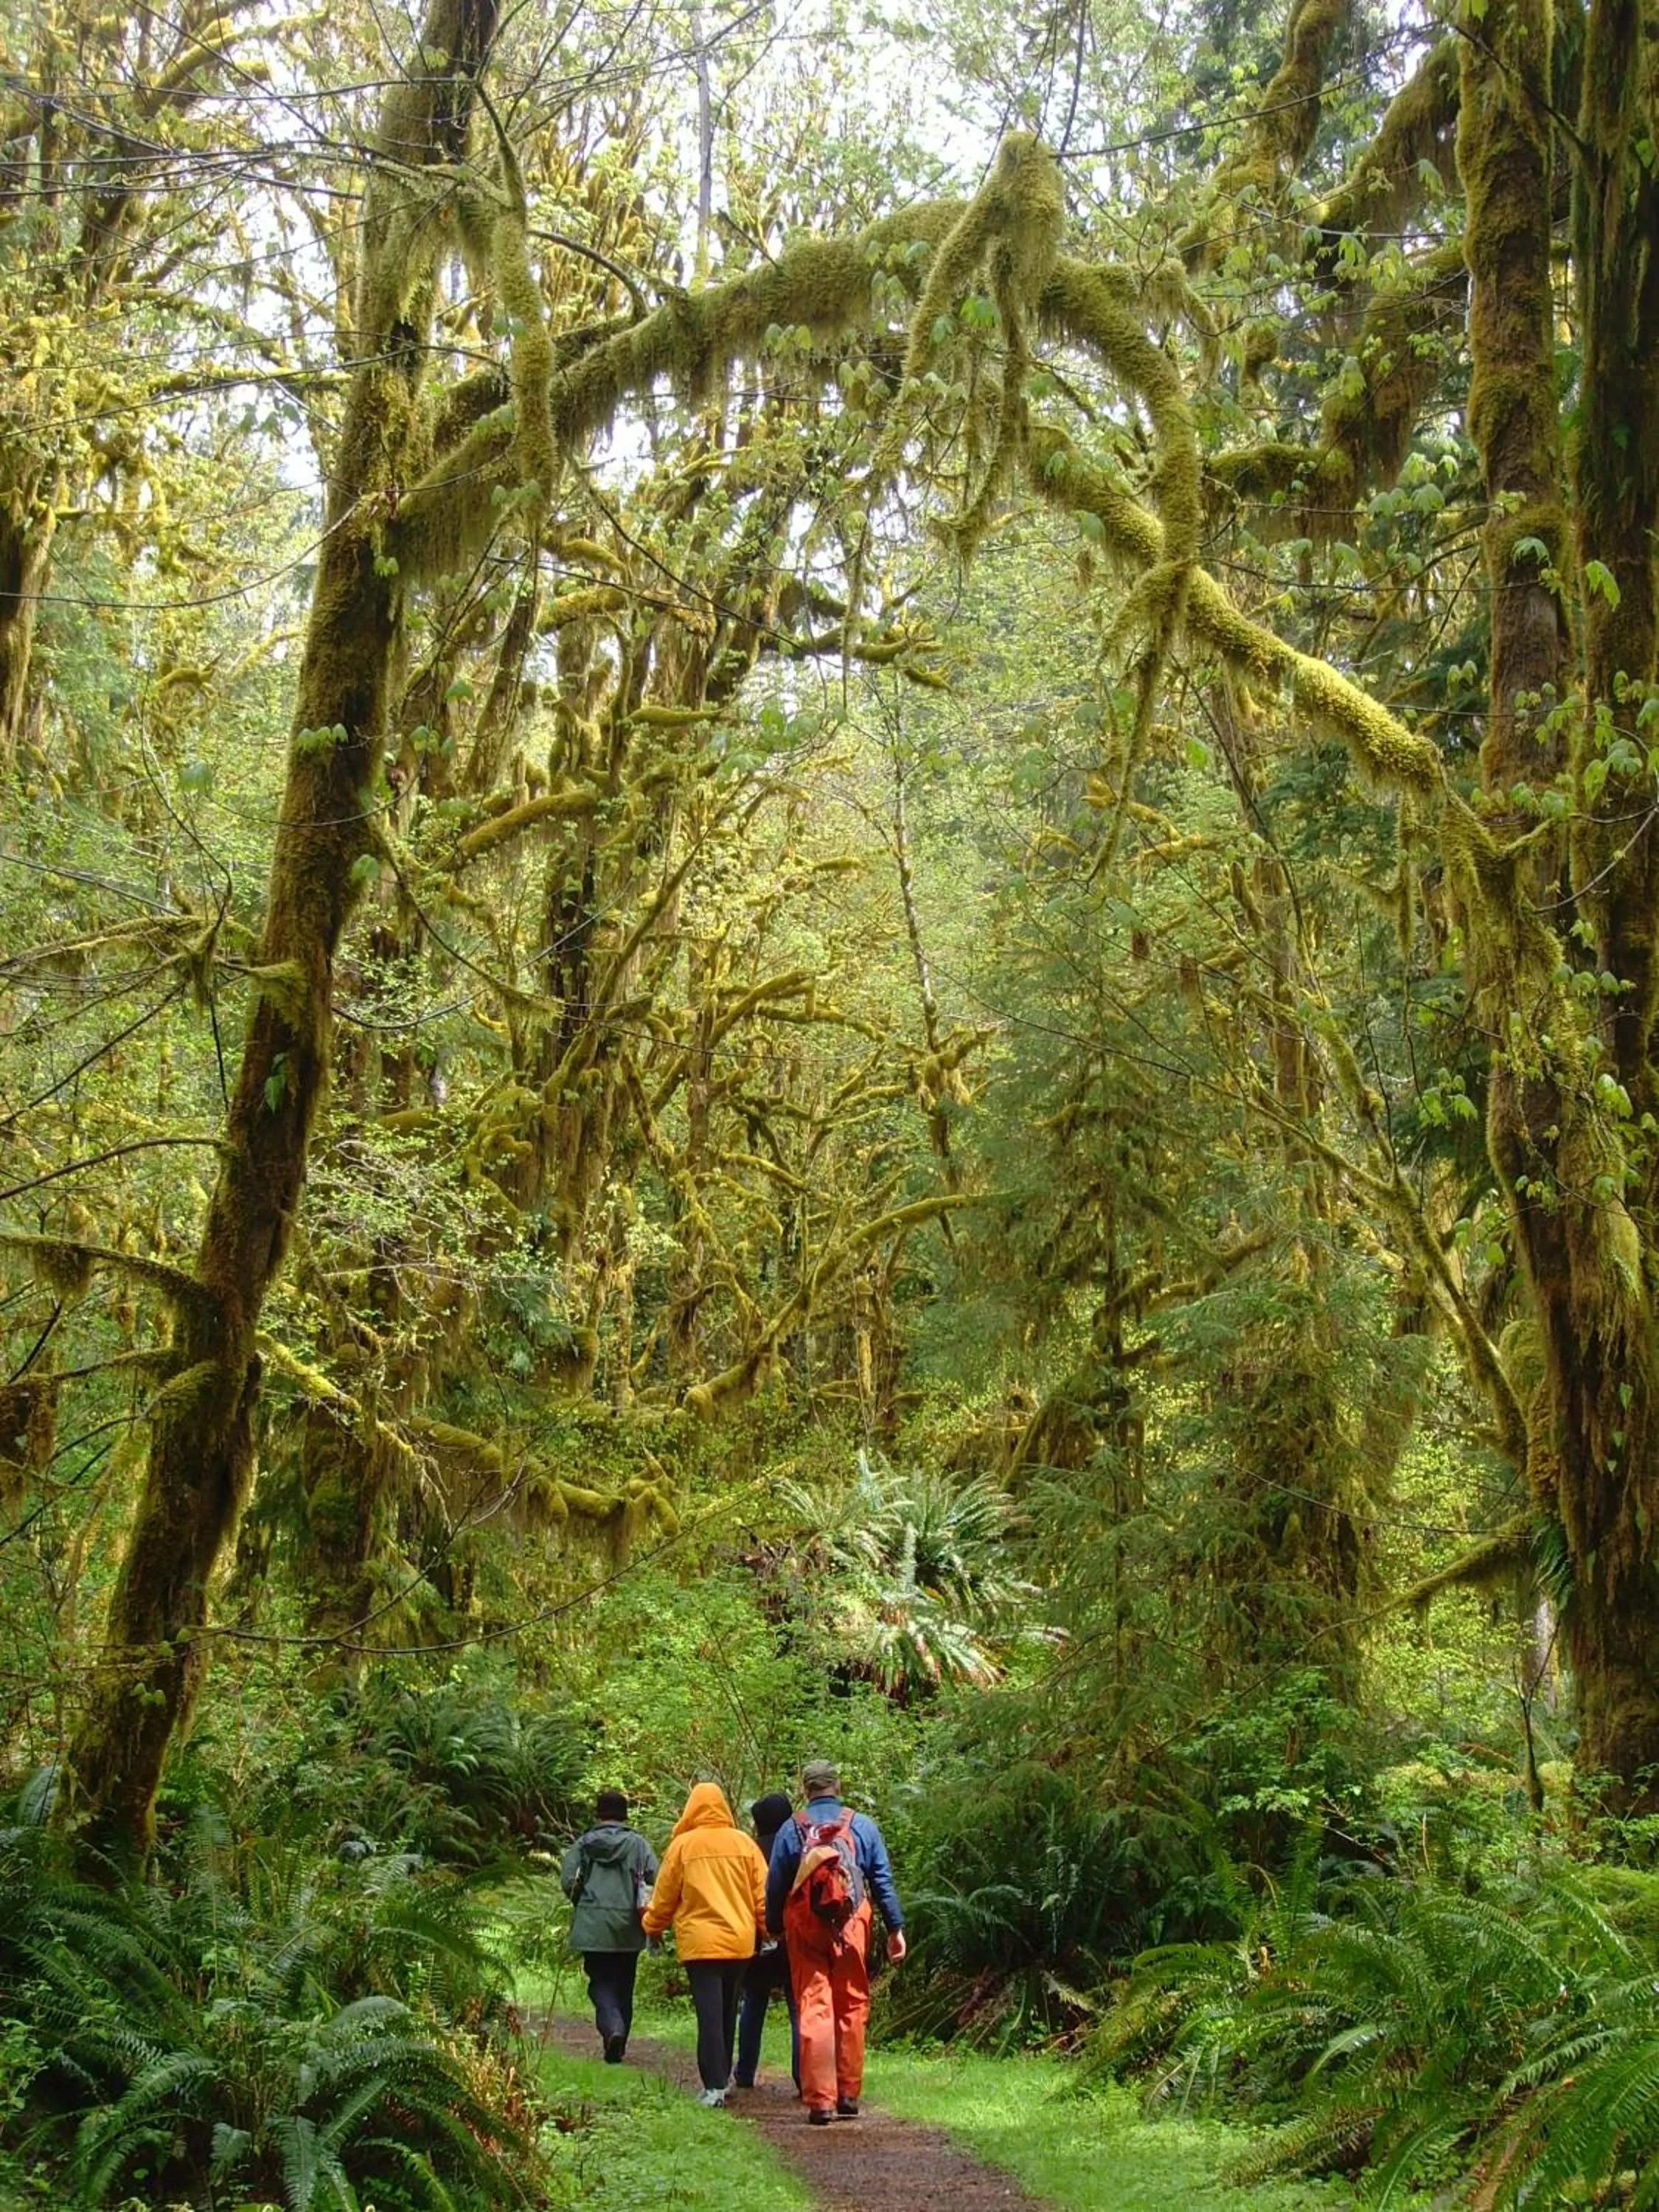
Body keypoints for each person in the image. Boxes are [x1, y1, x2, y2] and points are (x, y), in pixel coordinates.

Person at [765, 1758, 905, 2126]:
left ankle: (821, 2101)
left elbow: (777, 1883)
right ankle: (848, 2094)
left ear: (805, 1788)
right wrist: (896, 1928)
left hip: (806, 1926)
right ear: (837, 1787)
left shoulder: (790, 1829)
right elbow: (882, 1880)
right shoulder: (861, 1826)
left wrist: (774, 1924)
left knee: (814, 2007)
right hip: (852, 1921)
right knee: (852, 2006)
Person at [641, 1781, 768, 2107]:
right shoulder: (745, 1844)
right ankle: (721, 2079)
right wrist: (768, 1932)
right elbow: (762, 1897)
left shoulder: (683, 1847)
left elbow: (664, 1896)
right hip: (740, 1943)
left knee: (709, 2014)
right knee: (727, 2011)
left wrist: (651, 1926)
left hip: (701, 1945)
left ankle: (713, 2086)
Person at [560, 1788, 658, 2064]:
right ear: (624, 1815)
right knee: (625, 1984)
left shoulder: (584, 1844)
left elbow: (568, 1881)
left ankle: (612, 2028)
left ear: (598, 1813)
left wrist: (581, 1901)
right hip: (629, 1925)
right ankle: (619, 2041)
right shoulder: (638, 1845)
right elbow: (655, 1877)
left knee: (600, 1982)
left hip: (593, 1924)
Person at [733, 1792, 799, 2092]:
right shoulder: (799, 1847)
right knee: (798, 2006)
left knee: (753, 2003)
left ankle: (745, 2072)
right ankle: (804, 2076)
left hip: (758, 1938)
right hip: (794, 1938)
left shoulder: (749, 1850)